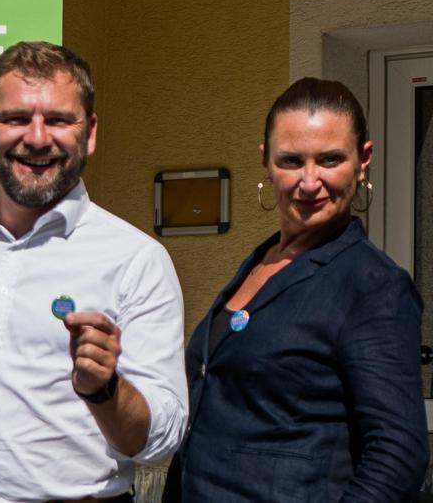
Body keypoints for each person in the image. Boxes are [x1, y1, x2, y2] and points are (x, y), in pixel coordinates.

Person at [0, 41, 187, 502]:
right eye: (14, 119)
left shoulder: (136, 261)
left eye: (57, 119)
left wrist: (106, 390)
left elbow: (161, 439)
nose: (35, 138)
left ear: (89, 132)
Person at [163, 77, 427, 501]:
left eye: (329, 159)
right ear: (266, 161)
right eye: (291, 161)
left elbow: (398, 454)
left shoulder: (373, 286)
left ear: (363, 160)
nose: (309, 181)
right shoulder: (263, 260)